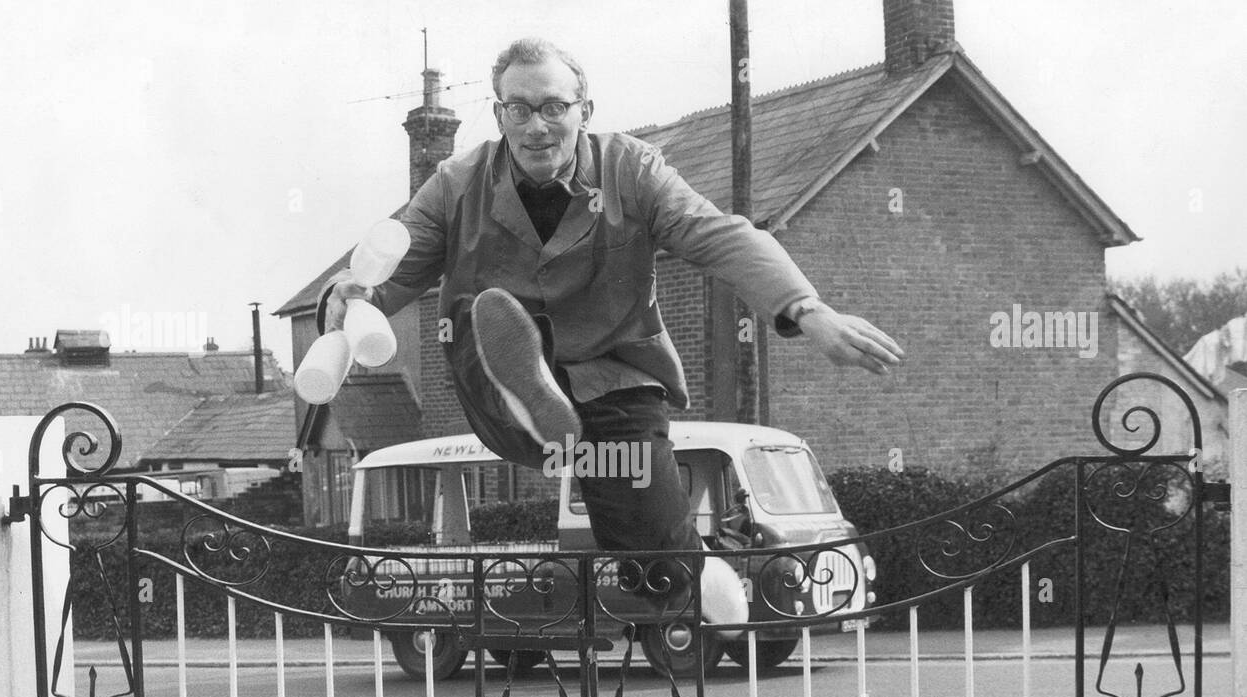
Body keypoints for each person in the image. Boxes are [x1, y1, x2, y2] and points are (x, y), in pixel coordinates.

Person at [322, 37, 903, 625]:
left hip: (616, 381)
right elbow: (387, 265)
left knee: (655, 554)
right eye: (518, 110)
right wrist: (349, 299)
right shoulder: (457, 184)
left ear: (584, 111)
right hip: (497, 382)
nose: (536, 127)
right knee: (488, 315)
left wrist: (808, 310)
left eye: (554, 107)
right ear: (499, 116)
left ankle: (680, 569)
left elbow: (718, 234)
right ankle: (530, 393)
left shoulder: (632, 169)